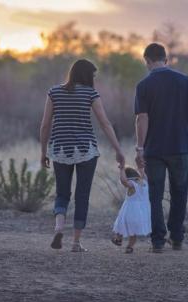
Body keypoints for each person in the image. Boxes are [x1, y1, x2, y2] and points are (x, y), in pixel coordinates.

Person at [40, 59, 125, 252]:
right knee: (82, 195)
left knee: (62, 193)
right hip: (86, 150)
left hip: (60, 149)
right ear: (87, 76)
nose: (94, 79)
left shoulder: (54, 92)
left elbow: (45, 125)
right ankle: (76, 242)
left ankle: (59, 228)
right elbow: (105, 123)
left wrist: (43, 151)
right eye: (93, 76)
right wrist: (118, 149)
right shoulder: (90, 93)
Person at [134, 43, 188, 253]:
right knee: (179, 193)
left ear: (147, 60)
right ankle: (177, 238)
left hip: (154, 150)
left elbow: (141, 118)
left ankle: (157, 242)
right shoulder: (183, 80)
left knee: (154, 195)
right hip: (179, 147)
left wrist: (140, 148)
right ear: (166, 59)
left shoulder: (143, 85)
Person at [111, 166, 151, 254]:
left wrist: (121, 170)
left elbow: (124, 181)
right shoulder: (145, 182)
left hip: (130, 210)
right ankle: (130, 247)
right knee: (133, 231)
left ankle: (118, 239)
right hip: (142, 212)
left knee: (121, 224)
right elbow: (143, 173)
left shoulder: (132, 184)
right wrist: (140, 167)